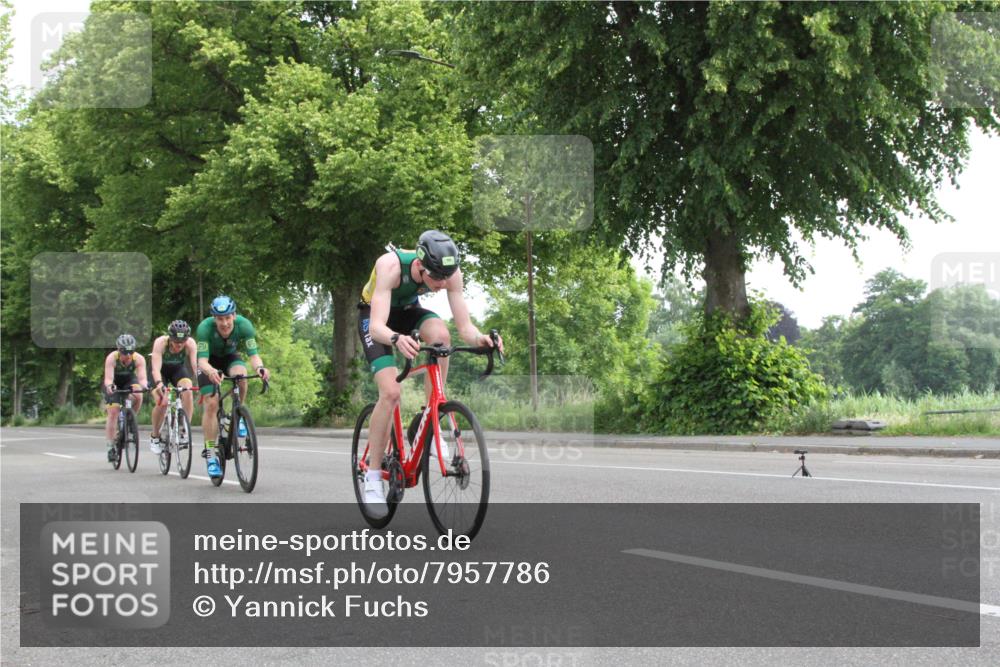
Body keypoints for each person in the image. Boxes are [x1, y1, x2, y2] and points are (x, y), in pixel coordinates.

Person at [357, 230, 503, 516]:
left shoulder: (449, 273)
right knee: (391, 392)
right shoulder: (389, 266)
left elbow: (465, 327)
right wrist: (397, 339)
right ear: (420, 266)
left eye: (447, 277)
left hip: (409, 311)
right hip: (375, 317)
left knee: (441, 336)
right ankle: (373, 477)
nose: (442, 284)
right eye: (437, 279)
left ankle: (430, 416)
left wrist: (481, 339)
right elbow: (377, 327)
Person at [195, 295, 270, 478]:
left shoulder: (244, 325)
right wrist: (211, 371)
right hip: (209, 362)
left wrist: (260, 368)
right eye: (220, 319)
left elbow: (253, 355)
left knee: (241, 376)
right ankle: (211, 455)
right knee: (212, 403)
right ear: (214, 318)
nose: (225, 323)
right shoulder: (205, 328)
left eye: (228, 318)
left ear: (234, 315)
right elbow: (202, 361)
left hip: (230, 357)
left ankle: (238, 414)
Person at [148, 320, 198, 454]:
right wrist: (159, 383)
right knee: (162, 401)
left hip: (177, 370)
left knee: (188, 389)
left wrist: (203, 381)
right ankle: (155, 436)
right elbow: (156, 369)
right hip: (159, 371)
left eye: (182, 342)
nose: (179, 345)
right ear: (170, 338)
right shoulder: (160, 343)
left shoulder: (190, 344)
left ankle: (183, 430)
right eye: (176, 342)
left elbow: (195, 366)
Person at [101, 334, 149, 461]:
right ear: (118, 350)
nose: (127, 356)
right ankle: (110, 446)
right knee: (113, 412)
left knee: (138, 394)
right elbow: (108, 379)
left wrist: (144, 386)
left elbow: (142, 378)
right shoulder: (112, 358)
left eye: (130, 352)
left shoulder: (138, 359)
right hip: (114, 383)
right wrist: (110, 386)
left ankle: (131, 420)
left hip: (129, 381)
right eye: (124, 352)